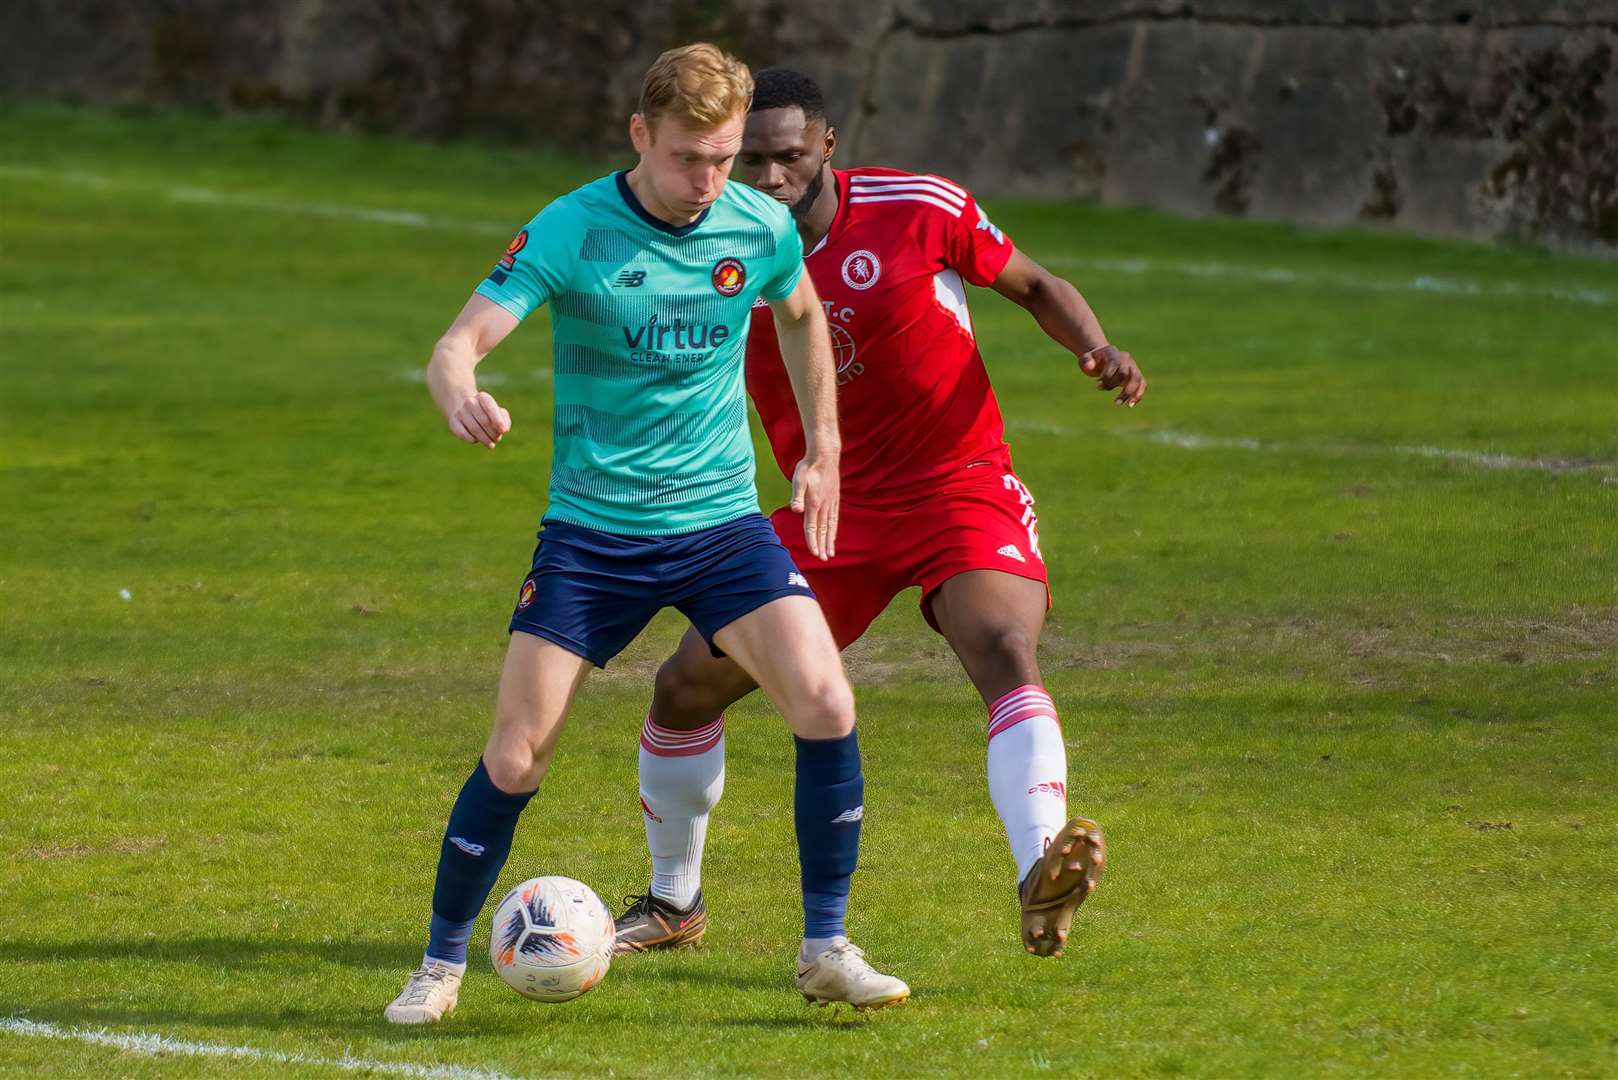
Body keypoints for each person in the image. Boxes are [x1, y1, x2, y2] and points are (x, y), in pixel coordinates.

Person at [384, 46, 909, 1024]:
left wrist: (822, 448)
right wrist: (461, 391)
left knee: (826, 703)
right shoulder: (572, 228)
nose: (709, 182)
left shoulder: (758, 223)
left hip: (720, 528)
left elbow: (799, 316)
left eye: (723, 158)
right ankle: (440, 965)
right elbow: (458, 344)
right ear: (640, 136)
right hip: (592, 537)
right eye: (687, 159)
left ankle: (826, 949)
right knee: (514, 758)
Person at [615, 67, 1146, 961]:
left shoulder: (919, 207)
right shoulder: (705, 250)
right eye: (754, 161)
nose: (773, 178)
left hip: (957, 484)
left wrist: (1096, 349)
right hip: (828, 510)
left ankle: (1037, 872)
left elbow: (1035, 284)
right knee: (684, 686)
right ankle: (674, 902)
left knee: (1003, 647)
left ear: (828, 146)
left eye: (791, 157)